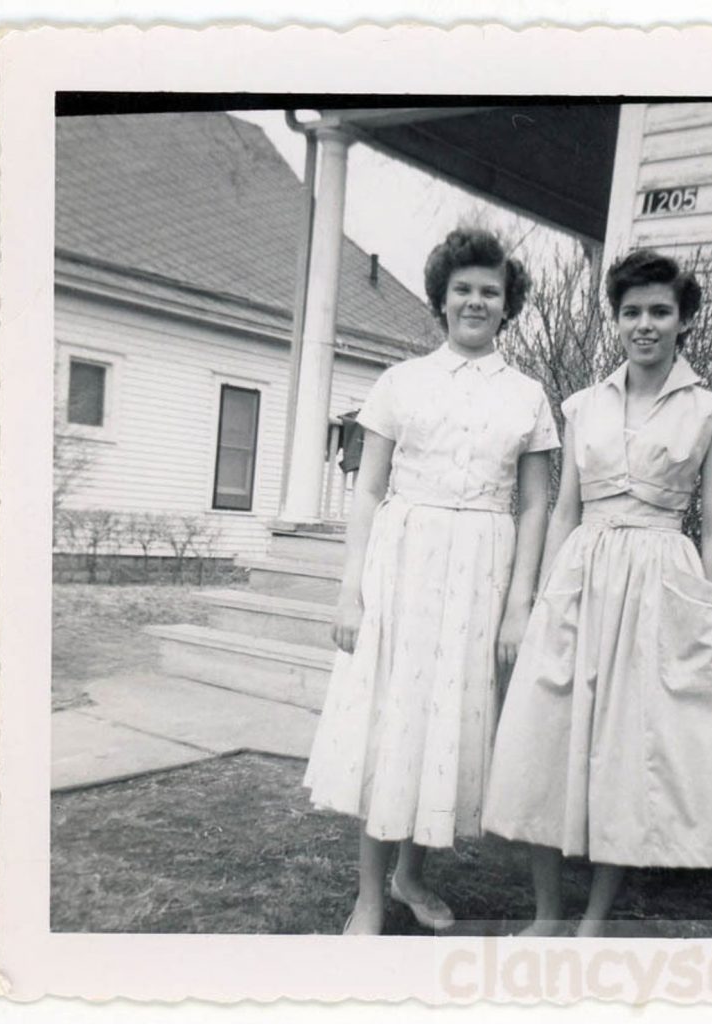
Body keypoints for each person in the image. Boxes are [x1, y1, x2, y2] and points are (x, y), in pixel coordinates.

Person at [303, 227, 559, 935]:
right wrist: (351, 586)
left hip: (482, 569)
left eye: (491, 292)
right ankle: (368, 896)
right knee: (395, 718)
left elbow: (535, 504)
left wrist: (520, 604)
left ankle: (412, 875)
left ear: (508, 306)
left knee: (441, 719)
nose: (476, 302)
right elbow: (366, 489)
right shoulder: (400, 382)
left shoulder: (528, 396)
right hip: (406, 563)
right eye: (464, 290)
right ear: (442, 300)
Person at [483, 248, 712, 937]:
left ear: (684, 320)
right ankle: (546, 915)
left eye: (660, 311)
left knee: (631, 749)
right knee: (548, 736)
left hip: (660, 586)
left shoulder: (710, 411)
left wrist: (703, 613)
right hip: (581, 577)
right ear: (616, 320)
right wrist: (539, 595)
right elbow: (563, 508)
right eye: (632, 312)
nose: (645, 324)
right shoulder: (583, 406)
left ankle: (594, 920)